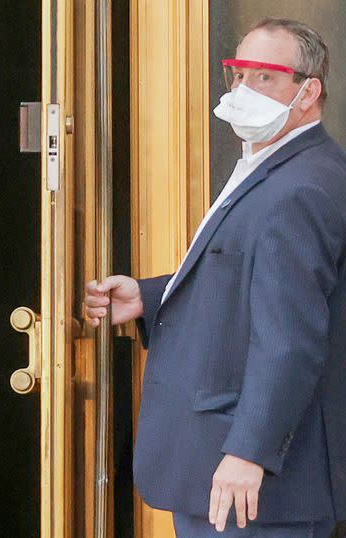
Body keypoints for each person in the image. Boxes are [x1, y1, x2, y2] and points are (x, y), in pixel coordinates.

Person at [85, 18, 344, 537]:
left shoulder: (302, 187)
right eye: (237, 74)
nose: (244, 90)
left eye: (264, 77)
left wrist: (249, 452)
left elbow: (291, 340)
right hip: (231, 477)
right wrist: (152, 296)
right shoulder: (275, 165)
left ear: (308, 90)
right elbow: (248, 276)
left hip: (256, 487)